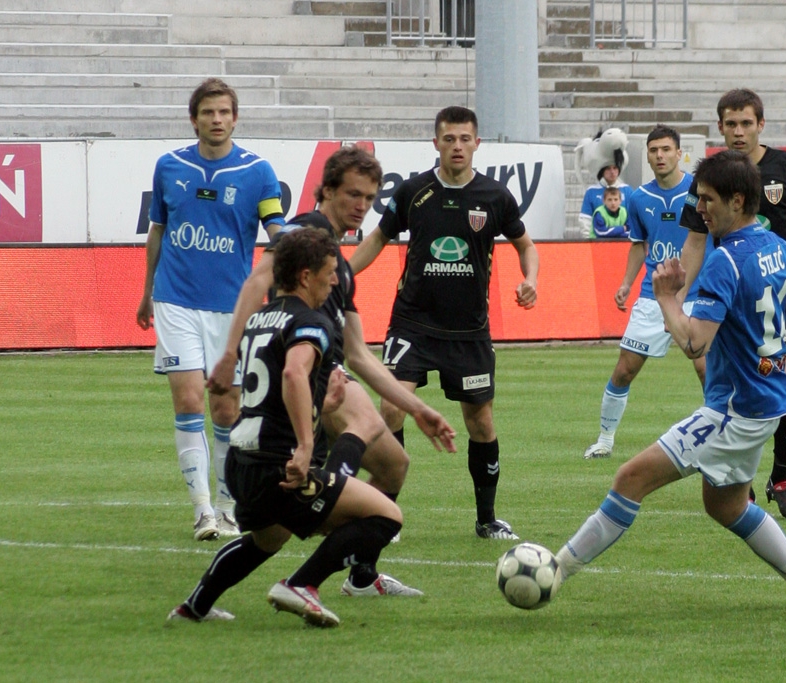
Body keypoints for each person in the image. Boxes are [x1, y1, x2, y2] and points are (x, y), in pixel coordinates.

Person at [556, 150, 786, 609]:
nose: (700, 209)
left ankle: (551, 571)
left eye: (706, 200)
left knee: (629, 478)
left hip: (734, 408)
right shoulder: (779, 248)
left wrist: (667, 298)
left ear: (737, 200)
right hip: (766, 402)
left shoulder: (723, 263)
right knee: (724, 506)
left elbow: (694, 345)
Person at [207, 146, 457, 593]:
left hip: (331, 367)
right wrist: (229, 354)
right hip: (305, 370)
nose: (361, 206)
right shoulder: (310, 231)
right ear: (326, 192)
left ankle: (360, 575)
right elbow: (257, 279)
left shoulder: (340, 265)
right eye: (352, 195)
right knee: (361, 422)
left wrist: (417, 409)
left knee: (394, 467)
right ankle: (312, 551)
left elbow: (361, 355)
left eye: (369, 197)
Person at [167, 228, 414, 627]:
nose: (335, 281)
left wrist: (323, 404)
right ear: (305, 276)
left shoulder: (259, 319)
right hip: (279, 467)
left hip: (242, 462)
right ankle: (302, 584)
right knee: (386, 516)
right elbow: (294, 375)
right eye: (330, 272)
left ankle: (194, 606)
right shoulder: (312, 321)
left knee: (267, 539)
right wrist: (304, 445)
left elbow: (274, 389)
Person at [350, 105, 539, 540]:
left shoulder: (495, 197)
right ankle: (386, 513)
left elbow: (525, 244)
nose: (457, 146)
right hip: (412, 322)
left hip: (468, 331)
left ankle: (487, 518)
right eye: (449, 139)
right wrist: (342, 274)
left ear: (477, 143)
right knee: (392, 406)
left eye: (464, 139)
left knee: (481, 424)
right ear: (435, 143)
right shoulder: (414, 192)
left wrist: (531, 279)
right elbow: (378, 237)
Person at [679, 88, 786, 519]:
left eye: (746, 123)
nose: (738, 131)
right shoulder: (711, 178)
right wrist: (678, 293)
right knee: (743, 398)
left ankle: (781, 480)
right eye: (730, 124)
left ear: (761, 124)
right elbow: (696, 240)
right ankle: (741, 485)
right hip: (735, 305)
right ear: (720, 127)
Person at [136, 77, 286, 541]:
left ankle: (227, 505)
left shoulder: (258, 171)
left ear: (235, 118)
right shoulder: (169, 166)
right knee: (187, 401)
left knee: (226, 409)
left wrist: (298, 251)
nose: (216, 120)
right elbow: (158, 231)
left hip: (231, 307)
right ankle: (201, 509)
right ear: (194, 119)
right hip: (175, 298)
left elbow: (275, 229)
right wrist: (146, 293)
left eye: (224, 112)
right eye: (208, 113)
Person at [583, 125, 694, 459]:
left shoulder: (699, 191)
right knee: (625, 369)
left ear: (678, 152)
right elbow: (638, 245)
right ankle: (605, 439)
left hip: (697, 294)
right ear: (647, 155)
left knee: (708, 371)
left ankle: (721, 440)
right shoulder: (639, 198)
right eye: (653, 150)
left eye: (665, 149)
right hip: (652, 296)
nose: (659, 156)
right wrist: (626, 284)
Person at [579, 163, 634, 236]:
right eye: (608, 168)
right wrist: (588, 243)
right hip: (598, 244)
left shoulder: (628, 190)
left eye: (615, 168)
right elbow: (585, 220)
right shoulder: (591, 191)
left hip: (623, 244)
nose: (612, 172)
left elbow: (633, 220)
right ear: (602, 171)